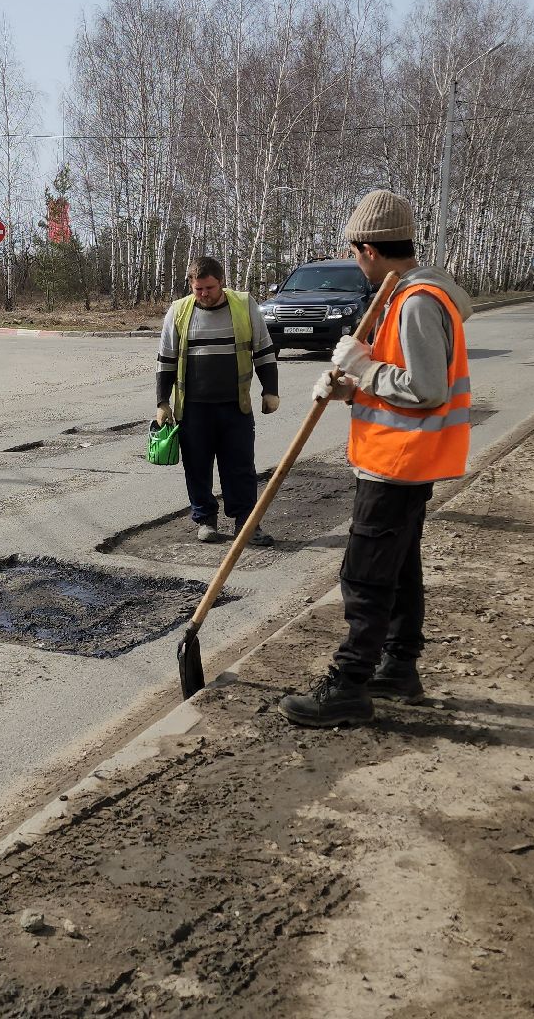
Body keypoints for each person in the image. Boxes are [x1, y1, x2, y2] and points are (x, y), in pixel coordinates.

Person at [280, 190, 473, 728]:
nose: (355, 262)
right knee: (399, 568)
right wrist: (351, 390)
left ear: (369, 249)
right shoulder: (406, 295)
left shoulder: (416, 302)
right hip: (404, 459)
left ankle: (348, 685)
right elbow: (403, 386)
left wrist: (363, 369)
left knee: (365, 575)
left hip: (399, 461)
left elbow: (427, 389)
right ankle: (399, 667)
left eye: (354, 252)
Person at [155, 256, 280, 545]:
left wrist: (270, 390)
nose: (204, 294)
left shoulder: (244, 305)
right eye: (198, 289)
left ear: (221, 282)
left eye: (209, 288)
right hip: (193, 409)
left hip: (235, 406)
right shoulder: (179, 311)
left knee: (240, 468)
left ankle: (246, 524)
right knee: (197, 467)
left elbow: (263, 350)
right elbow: (166, 360)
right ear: (190, 285)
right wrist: (162, 402)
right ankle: (205, 520)